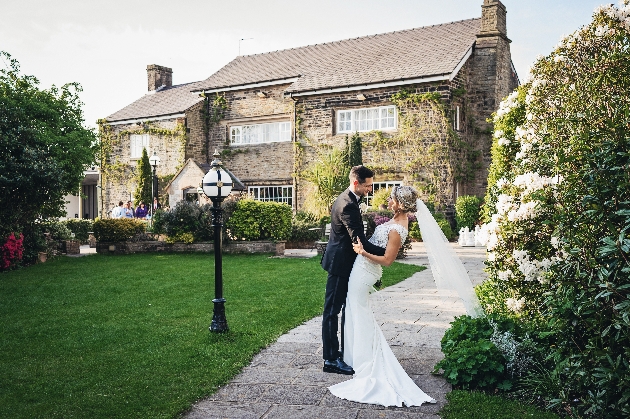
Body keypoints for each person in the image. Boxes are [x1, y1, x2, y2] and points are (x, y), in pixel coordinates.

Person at [328, 185, 436, 407]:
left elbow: (388, 260)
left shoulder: (398, 228)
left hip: (366, 270)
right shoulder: (396, 219)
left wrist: (363, 252)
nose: (388, 199)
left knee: (359, 310)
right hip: (362, 268)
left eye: (392, 197)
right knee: (354, 309)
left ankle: (366, 359)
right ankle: (356, 356)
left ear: (401, 203)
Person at [321, 166, 387, 375]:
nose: (370, 189)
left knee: (342, 309)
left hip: (345, 261)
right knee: (332, 311)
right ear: (356, 183)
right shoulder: (347, 204)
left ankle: (342, 352)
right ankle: (331, 359)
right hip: (340, 263)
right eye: (368, 185)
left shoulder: (348, 198)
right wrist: (388, 253)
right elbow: (360, 242)